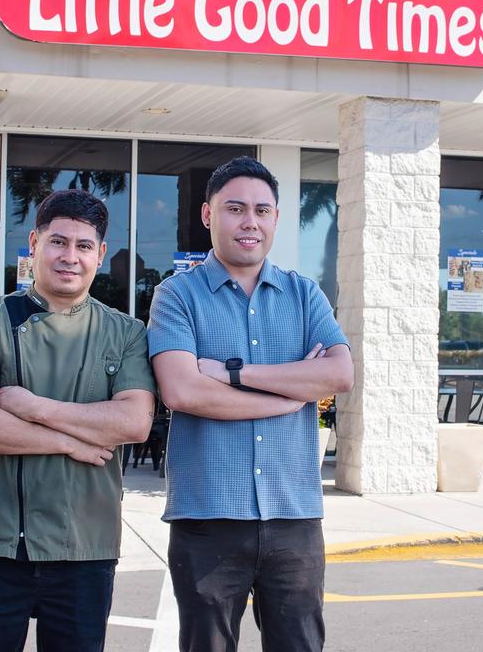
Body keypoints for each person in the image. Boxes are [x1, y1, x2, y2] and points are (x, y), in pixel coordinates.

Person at [148, 156, 354, 652]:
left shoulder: (304, 295)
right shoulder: (177, 296)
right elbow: (183, 391)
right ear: (208, 215)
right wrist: (288, 397)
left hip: (294, 516)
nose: (250, 222)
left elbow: (338, 374)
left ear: (275, 218)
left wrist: (233, 373)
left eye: (262, 211)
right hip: (207, 518)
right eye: (235, 208)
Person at [0, 189, 157, 652]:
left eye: (83, 246)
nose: (69, 256)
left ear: (100, 254)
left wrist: (33, 407)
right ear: (35, 243)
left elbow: (134, 422)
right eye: (58, 242)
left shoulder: (125, 332)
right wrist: (72, 443)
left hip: (85, 545)